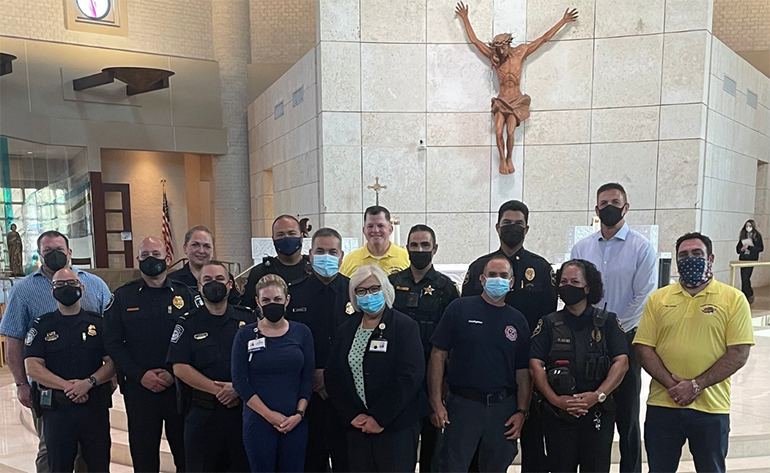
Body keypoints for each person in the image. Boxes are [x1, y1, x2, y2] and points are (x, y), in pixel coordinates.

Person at [634, 232, 754, 473]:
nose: (690, 259)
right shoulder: (658, 299)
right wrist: (673, 386)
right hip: (663, 406)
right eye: (684, 255)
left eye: (697, 254)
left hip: (711, 408)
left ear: (710, 258)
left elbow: (739, 353)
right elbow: (643, 347)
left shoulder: (733, 299)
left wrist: (696, 385)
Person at [0, 230, 111, 473]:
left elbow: (111, 334)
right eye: (48, 251)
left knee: (92, 454)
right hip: (50, 393)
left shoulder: (95, 284)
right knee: (50, 452)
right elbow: (14, 340)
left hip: (93, 391)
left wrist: (100, 380)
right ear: (39, 255)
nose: (54, 255)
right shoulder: (23, 290)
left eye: (59, 250)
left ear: (69, 252)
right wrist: (21, 384)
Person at [570, 182, 657, 473]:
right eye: (604, 203)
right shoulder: (582, 247)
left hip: (626, 341)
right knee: (594, 412)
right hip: (586, 341)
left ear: (626, 207)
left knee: (627, 415)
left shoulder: (641, 247)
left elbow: (643, 296)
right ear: (596, 209)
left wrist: (613, 330)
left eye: (615, 202)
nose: (609, 207)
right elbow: (575, 290)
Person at [462, 200, 555, 473]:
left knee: (533, 440)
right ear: (497, 227)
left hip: (529, 365)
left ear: (527, 229)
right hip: (489, 367)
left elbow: (547, 319)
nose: (512, 229)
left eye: (518, 224)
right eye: (506, 224)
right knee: (487, 443)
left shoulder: (540, 268)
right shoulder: (481, 266)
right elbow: (467, 314)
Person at [430, 256, 532, 473]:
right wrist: (436, 402)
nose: (498, 280)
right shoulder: (459, 309)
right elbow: (438, 355)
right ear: (482, 280)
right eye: (492, 275)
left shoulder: (518, 320)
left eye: (504, 276)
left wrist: (522, 411)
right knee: (452, 467)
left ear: (512, 283)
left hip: (502, 409)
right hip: (463, 406)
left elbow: (523, 371)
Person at [325, 264, 429, 473]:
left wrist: (379, 418)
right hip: (358, 426)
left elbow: (410, 377)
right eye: (361, 291)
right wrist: (352, 415)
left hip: (395, 426)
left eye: (374, 289)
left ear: (385, 290)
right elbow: (333, 376)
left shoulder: (404, 326)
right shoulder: (346, 329)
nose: (368, 295)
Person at [104, 237, 196, 473]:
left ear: (167, 258)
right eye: (144, 255)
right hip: (139, 390)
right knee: (144, 458)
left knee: (186, 455)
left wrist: (173, 373)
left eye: (155, 254)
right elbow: (113, 343)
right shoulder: (123, 297)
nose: (150, 259)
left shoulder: (186, 295)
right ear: (137, 260)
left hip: (179, 388)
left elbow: (196, 340)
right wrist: (140, 375)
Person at [530, 259, 629, 473]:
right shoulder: (548, 323)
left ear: (588, 287)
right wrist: (556, 400)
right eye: (563, 281)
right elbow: (535, 365)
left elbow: (621, 362)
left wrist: (598, 395)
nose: (567, 286)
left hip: (597, 412)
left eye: (574, 281)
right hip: (558, 414)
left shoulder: (608, 322)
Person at [24, 268, 116, 473]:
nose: (66, 288)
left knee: (99, 465)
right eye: (60, 284)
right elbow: (32, 367)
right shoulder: (42, 326)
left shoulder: (99, 324)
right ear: (52, 291)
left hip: (94, 408)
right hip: (58, 409)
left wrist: (88, 383)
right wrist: (69, 387)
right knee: (58, 466)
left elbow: (112, 363)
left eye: (72, 283)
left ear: (82, 288)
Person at [167, 261, 255, 473]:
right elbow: (180, 367)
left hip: (243, 412)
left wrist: (238, 388)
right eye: (207, 280)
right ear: (198, 286)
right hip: (203, 413)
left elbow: (260, 361)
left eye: (219, 279)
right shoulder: (187, 322)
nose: (213, 284)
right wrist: (219, 390)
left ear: (230, 284)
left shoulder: (248, 319)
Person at [389, 224, 459, 473]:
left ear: (435, 249)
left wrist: (444, 386)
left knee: (433, 443)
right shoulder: (392, 283)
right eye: (415, 245)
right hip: (398, 375)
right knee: (400, 443)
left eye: (425, 246)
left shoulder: (446, 287)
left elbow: (453, 340)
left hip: (433, 374)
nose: (419, 250)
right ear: (407, 248)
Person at [231, 274, 315, 473]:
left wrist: (299, 414)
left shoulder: (302, 332)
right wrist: (270, 416)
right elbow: (240, 381)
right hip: (258, 421)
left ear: (287, 300)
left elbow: (308, 378)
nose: (272, 304)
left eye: (277, 299)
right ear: (258, 302)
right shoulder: (245, 335)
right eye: (266, 300)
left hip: (295, 421)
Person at [286, 228, 351, 473]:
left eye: (332, 252)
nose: (326, 257)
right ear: (310, 255)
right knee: (311, 460)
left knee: (346, 459)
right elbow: (286, 340)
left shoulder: (354, 291)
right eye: (320, 252)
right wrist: (312, 375)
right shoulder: (293, 293)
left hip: (345, 392)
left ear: (342, 255)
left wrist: (329, 376)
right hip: (305, 392)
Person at [168, 225, 247, 307]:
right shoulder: (173, 280)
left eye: (207, 246)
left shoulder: (224, 278)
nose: (201, 251)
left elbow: (236, 306)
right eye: (195, 245)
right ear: (185, 248)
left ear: (213, 251)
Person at [242, 215, 313, 303]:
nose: (286, 238)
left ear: (301, 237)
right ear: (273, 239)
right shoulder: (259, 272)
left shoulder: (314, 270)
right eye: (280, 234)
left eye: (292, 233)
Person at [339, 206, 410, 277]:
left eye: (380, 225)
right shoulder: (350, 260)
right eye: (370, 226)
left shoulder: (406, 258)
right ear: (364, 230)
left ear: (390, 229)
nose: (375, 230)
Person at [736, 219, 764, 304]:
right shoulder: (743, 235)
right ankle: (746, 295)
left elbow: (761, 248)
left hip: (751, 259)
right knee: (743, 277)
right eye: (746, 226)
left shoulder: (757, 236)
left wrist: (750, 247)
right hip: (743, 258)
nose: (748, 227)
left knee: (746, 277)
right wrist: (742, 249)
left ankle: (748, 294)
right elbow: (738, 249)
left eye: (749, 226)